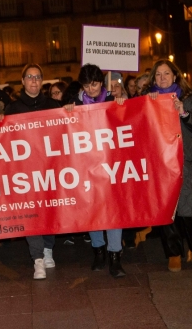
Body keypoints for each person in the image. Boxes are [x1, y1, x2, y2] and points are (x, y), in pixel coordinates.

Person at [142, 60, 192, 272]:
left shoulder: (190, 100)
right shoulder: (147, 99)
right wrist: (147, 104)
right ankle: (173, 253)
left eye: (166, 74)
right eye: (158, 75)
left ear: (175, 76)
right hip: (161, 163)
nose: (162, 78)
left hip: (186, 162)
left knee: (190, 209)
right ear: (154, 79)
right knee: (168, 210)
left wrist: (184, 113)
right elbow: (133, 122)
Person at [4, 64, 60, 280]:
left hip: (49, 168)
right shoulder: (12, 109)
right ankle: (37, 258)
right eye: (30, 77)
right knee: (31, 210)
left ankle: (48, 249)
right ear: (23, 81)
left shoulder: (53, 105)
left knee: (49, 208)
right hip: (24, 172)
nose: (34, 81)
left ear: (42, 81)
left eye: (38, 77)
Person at [72, 64, 126, 278]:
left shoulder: (113, 100)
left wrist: (123, 105)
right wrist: (68, 112)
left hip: (111, 165)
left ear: (101, 82)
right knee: (92, 209)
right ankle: (98, 251)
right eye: (86, 85)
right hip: (86, 166)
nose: (91, 89)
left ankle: (115, 256)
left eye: (94, 84)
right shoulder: (75, 103)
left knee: (113, 211)